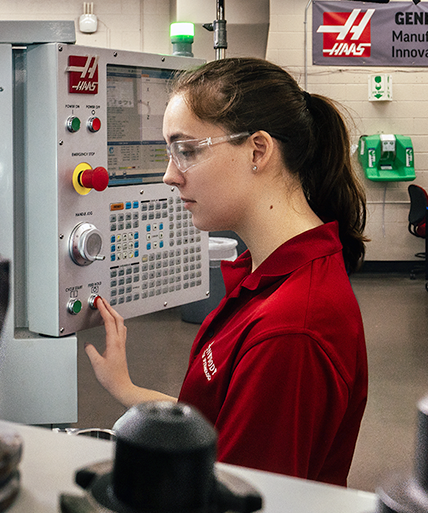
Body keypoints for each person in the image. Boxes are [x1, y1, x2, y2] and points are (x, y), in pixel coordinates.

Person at [85, 57, 368, 486]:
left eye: (187, 151)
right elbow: (215, 426)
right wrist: (128, 389)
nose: (169, 176)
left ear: (258, 150)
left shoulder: (292, 328)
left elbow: (246, 505)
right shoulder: (265, 278)